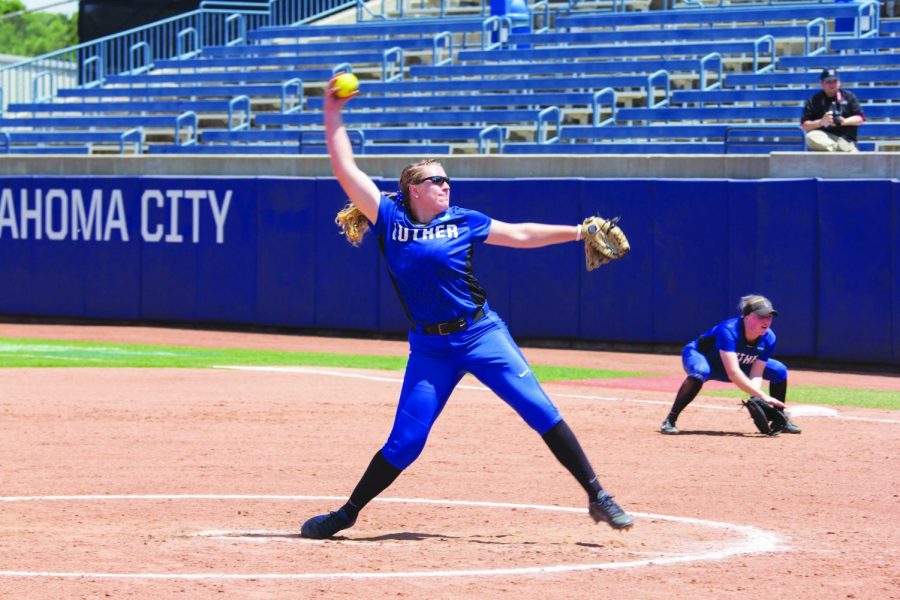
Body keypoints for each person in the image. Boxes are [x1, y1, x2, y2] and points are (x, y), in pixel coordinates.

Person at [299, 74, 634, 540]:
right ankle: (347, 514)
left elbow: (519, 233)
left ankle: (599, 496)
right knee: (406, 443)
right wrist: (332, 110)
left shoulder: (465, 221)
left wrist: (577, 231)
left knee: (539, 409)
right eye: (437, 180)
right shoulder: (390, 217)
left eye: (448, 179)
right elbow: (344, 166)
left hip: (482, 335)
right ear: (414, 189)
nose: (447, 186)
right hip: (431, 351)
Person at [659, 294, 801, 436]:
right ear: (746, 317)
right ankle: (670, 419)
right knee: (700, 371)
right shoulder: (728, 330)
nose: (766, 321)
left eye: (769, 317)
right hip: (704, 358)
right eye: (761, 316)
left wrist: (755, 397)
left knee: (779, 370)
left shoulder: (769, 338)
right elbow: (733, 373)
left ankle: (780, 420)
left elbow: (756, 373)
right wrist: (764, 396)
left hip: (739, 363)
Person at [801, 68, 866, 153]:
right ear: (822, 83)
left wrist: (844, 121)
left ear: (839, 82)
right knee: (810, 136)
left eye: (834, 81)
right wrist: (821, 122)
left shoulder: (848, 96)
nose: (832, 84)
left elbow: (860, 119)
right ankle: (838, 149)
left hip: (846, 140)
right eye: (828, 82)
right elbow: (805, 126)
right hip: (826, 139)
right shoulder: (814, 100)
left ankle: (842, 149)